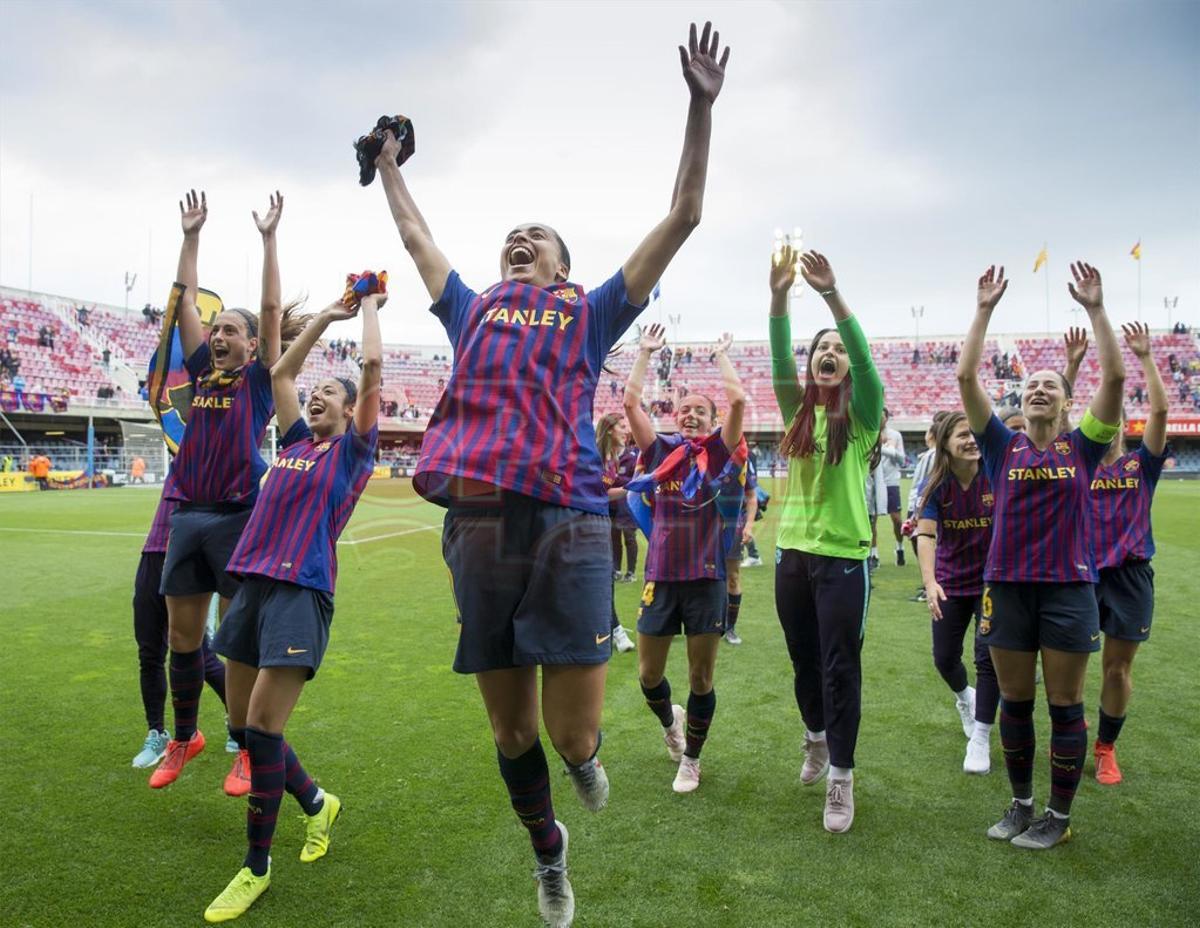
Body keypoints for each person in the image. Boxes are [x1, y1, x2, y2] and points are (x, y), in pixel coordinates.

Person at [369, 21, 729, 927]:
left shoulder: (589, 309)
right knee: (509, 730)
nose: (519, 241)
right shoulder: (472, 307)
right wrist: (389, 166)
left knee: (571, 736)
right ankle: (549, 856)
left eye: (537, 237)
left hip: (570, 521)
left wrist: (699, 104)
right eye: (511, 237)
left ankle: (583, 763)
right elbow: (416, 240)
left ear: (564, 265)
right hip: (480, 521)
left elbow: (682, 217)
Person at [202, 292, 382, 923]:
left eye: (331, 393)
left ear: (351, 408)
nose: (317, 396)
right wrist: (326, 319)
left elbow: (373, 373)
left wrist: (366, 314)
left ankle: (255, 867)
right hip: (251, 584)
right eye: (318, 393)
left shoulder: (352, 453)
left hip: (302, 591)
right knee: (242, 726)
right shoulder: (298, 443)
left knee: (265, 729)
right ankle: (318, 803)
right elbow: (280, 373)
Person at [958, 262, 1124, 850]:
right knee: (1015, 703)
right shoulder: (1001, 446)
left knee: (1064, 704)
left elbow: (1116, 377)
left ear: (1065, 400)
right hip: (1006, 587)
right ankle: (1022, 805)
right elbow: (966, 375)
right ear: (1021, 400)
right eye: (1031, 384)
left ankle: (1058, 815)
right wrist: (983, 310)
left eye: (1050, 384)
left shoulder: (1085, 446)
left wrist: (1096, 309)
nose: (1038, 388)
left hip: (1067, 591)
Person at [150, 190, 303, 792]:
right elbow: (183, 302)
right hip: (188, 517)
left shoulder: (262, 380)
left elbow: (269, 308)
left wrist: (268, 239)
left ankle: (243, 746)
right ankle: (186, 737)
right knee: (183, 639)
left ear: (250, 345)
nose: (218, 335)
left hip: (241, 520)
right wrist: (190, 238)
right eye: (215, 330)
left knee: (237, 642)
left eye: (230, 331)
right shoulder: (198, 368)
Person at [769, 245, 884, 834]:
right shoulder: (797, 414)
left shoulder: (863, 418)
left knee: (841, 667)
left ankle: (841, 776)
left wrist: (832, 297)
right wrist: (779, 297)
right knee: (802, 660)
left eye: (835, 350)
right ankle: (815, 739)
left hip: (843, 561)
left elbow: (865, 364)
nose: (830, 355)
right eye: (821, 349)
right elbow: (778, 365)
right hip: (793, 558)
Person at [624, 325, 745, 792]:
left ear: (711, 421)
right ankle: (671, 726)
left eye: (700, 411)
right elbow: (631, 405)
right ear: (675, 416)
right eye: (685, 410)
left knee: (700, 676)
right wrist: (644, 352)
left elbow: (737, 404)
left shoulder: (717, 453)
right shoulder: (661, 451)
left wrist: (720, 357)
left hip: (706, 577)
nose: (691, 416)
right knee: (648, 674)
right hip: (661, 576)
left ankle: (691, 758)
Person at [1084, 322, 1168, 786]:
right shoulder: (1074, 462)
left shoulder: (1142, 465)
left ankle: (1105, 747)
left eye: (1117, 423)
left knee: (1117, 668)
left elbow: (1160, 409)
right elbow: (1055, 419)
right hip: (1080, 577)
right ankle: (1074, 729)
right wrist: (1075, 366)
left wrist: (1145, 357)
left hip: (1131, 577)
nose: (1110, 428)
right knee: (1069, 663)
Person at [915, 412, 999, 774]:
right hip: (950, 582)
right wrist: (930, 582)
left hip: (991, 583)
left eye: (974, 434)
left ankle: (980, 737)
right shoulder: (937, 486)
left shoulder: (996, 476)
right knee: (944, 658)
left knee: (987, 658)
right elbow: (926, 534)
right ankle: (965, 698)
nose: (970, 441)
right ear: (946, 443)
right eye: (962, 435)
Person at [132, 488, 229, 768]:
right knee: (149, 652)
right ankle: (157, 733)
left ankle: (239, 724)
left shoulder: (219, 458)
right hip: (153, 552)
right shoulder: (182, 454)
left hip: (193, 554)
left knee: (200, 653)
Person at [595, 412, 637, 653]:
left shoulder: (612, 460)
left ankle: (611, 630)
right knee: (604, 578)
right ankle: (617, 632)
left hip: (599, 521)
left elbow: (603, 493)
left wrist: (632, 486)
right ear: (610, 429)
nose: (626, 430)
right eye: (622, 426)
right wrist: (631, 486)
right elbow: (594, 492)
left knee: (605, 578)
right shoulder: (594, 456)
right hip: (585, 524)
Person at [719, 453, 758, 645]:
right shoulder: (701, 451)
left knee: (732, 576)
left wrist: (749, 526)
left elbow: (751, 496)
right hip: (703, 525)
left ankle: (730, 628)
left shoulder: (740, 458)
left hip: (732, 524)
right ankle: (709, 624)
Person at [878, 408, 906, 565]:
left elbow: (902, 460)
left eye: (882, 416)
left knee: (896, 519)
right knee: (871, 520)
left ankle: (900, 548)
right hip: (872, 483)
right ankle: (873, 555)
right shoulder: (868, 433)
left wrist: (889, 451)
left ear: (887, 418)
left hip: (891, 482)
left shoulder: (895, 435)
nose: (879, 418)